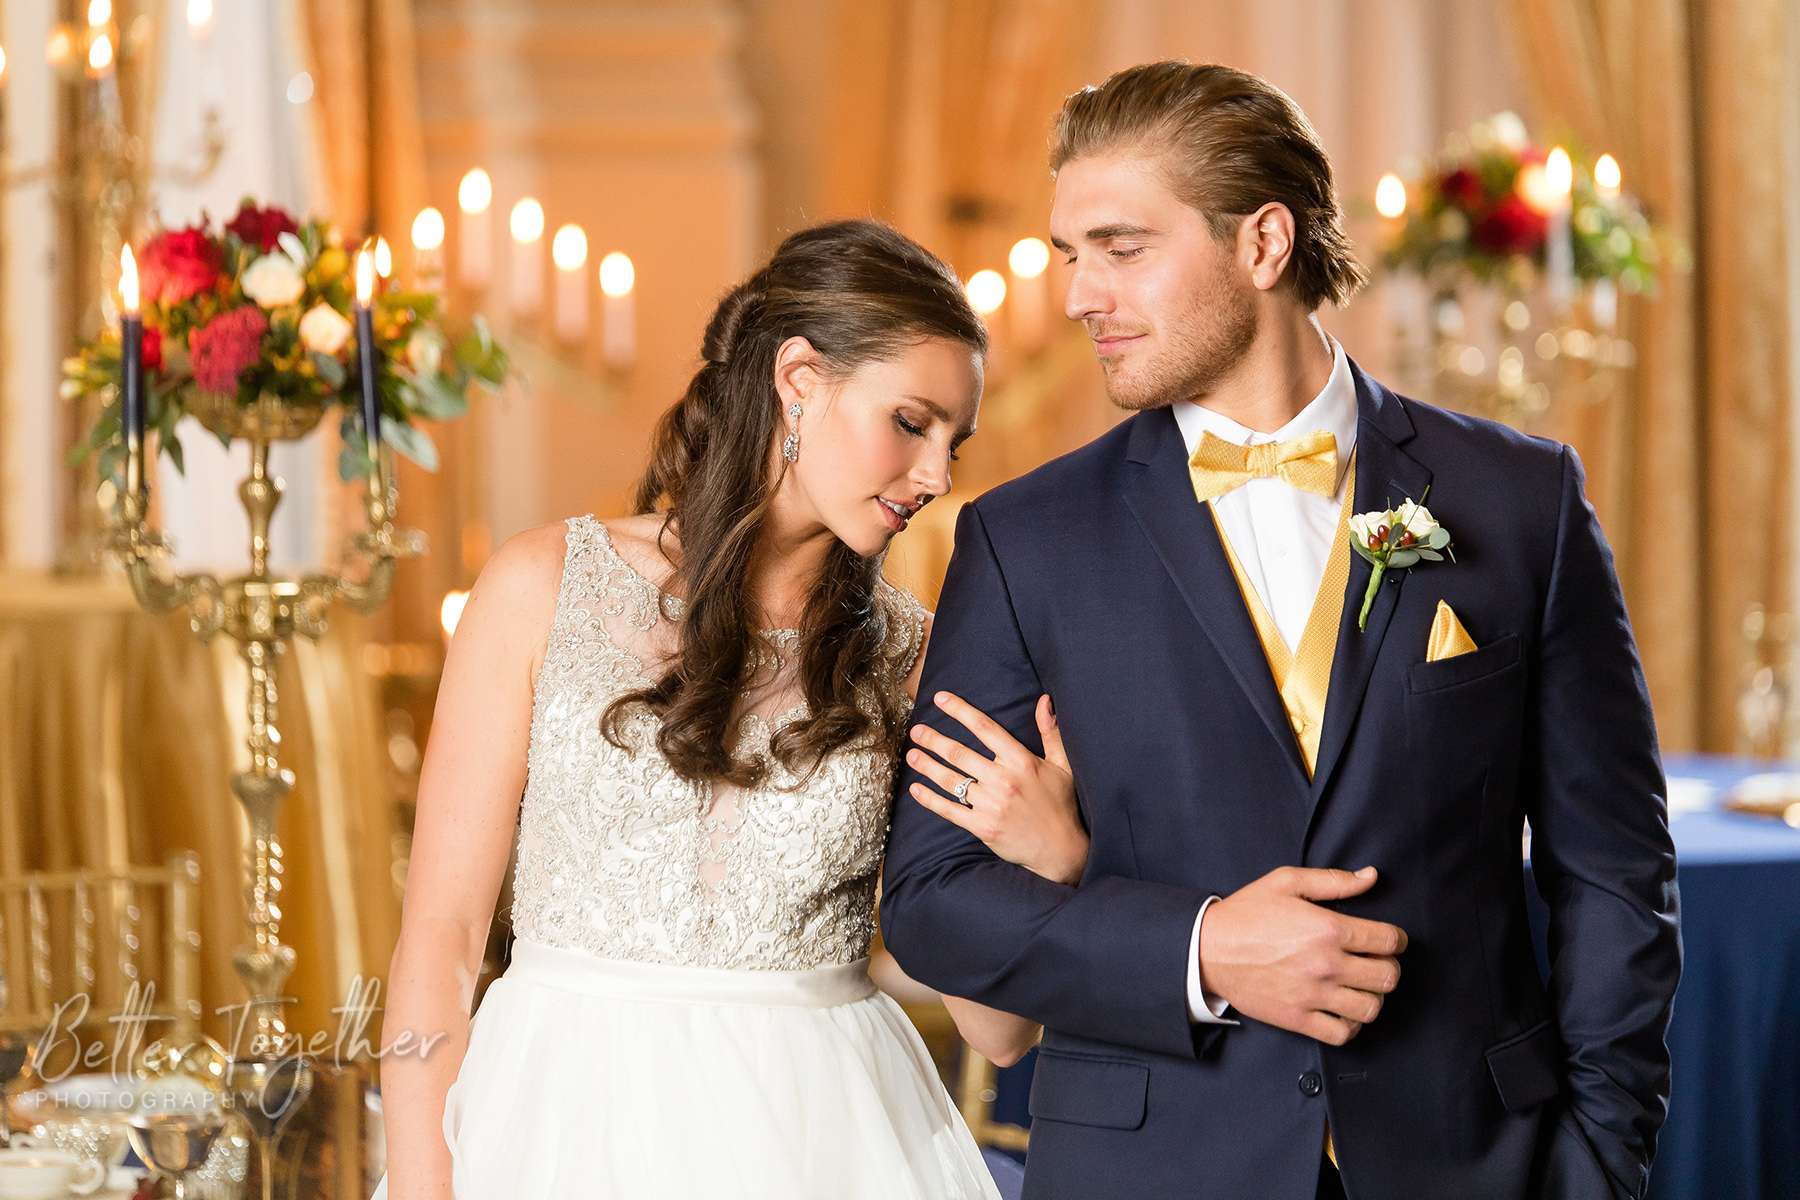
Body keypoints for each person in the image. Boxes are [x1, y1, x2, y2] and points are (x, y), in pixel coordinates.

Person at [881, 61, 1681, 1200]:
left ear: (1263, 245)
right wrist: (1198, 951)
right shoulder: (1025, 541)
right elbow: (933, 900)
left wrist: (1600, 1165)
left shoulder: (1520, 500)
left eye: (1121, 248)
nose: (1077, 297)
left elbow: (1612, 874)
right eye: (1072, 256)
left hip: (1473, 1163)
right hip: (1151, 1169)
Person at [373, 219, 1088, 1198]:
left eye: (953, 443)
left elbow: (999, 1034)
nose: (937, 478)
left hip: (828, 1145)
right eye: (911, 423)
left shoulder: (915, 657)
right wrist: (420, 1183)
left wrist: (1052, 860)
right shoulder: (541, 588)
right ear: (799, 378)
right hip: (555, 1131)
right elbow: (442, 938)